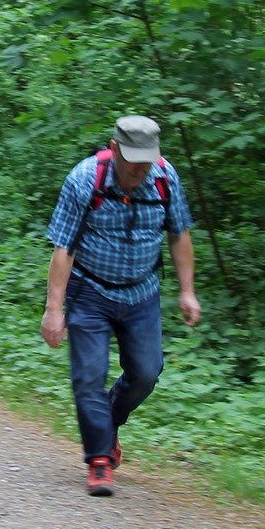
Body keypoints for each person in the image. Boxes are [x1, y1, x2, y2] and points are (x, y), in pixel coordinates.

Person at [40, 115, 202, 497]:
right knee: (88, 378)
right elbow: (64, 247)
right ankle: (100, 459)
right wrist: (54, 309)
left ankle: (109, 419)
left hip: (142, 291)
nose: (139, 171)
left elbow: (179, 235)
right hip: (89, 290)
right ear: (114, 150)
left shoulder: (165, 178)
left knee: (146, 372)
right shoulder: (85, 179)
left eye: (146, 163)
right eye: (132, 163)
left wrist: (187, 291)